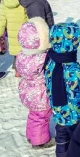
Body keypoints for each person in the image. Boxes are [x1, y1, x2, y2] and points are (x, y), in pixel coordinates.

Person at [45, 22, 80, 157]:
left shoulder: (51, 62)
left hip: (58, 109)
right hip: (74, 112)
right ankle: (79, 155)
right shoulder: (74, 69)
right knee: (77, 134)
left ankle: (61, 153)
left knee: (61, 129)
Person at [16, 18, 54, 148]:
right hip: (40, 94)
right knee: (41, 117)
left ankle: (30, 135)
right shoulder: (42, 58)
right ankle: (40, 141)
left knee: (33, 114)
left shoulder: (21, 55)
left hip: (27, 90)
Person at [0, 0, 29, 73]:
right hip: (24, 29)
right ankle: (22, 68)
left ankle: (16, 67)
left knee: (16, 48)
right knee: (24, 49)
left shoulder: (4, 0)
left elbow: (2, 18)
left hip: (11, 30)